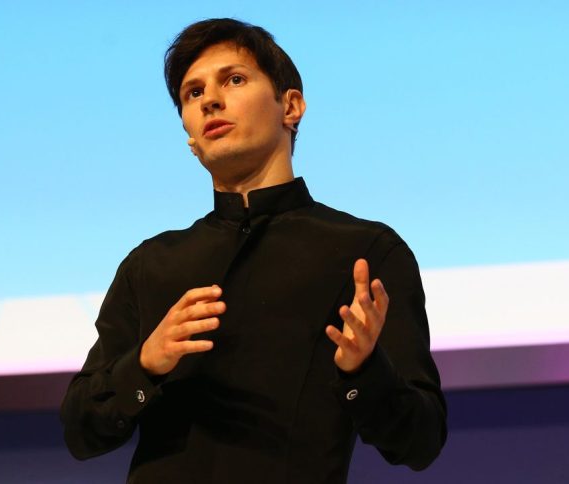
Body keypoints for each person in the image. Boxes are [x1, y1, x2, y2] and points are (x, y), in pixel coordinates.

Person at [61, 18, 447, 484]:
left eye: (234, 80)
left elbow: (421, 442)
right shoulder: (151, 264)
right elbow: (80, 433)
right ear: (189, 136)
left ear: (291, 106)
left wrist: (365, 371)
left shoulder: (365, 253)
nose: (211, 101)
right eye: (193, 93)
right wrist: (145, 364)